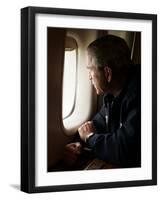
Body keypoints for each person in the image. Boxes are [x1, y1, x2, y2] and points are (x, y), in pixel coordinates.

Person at [64, 35, 141, 168]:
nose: (89, 77)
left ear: (107, 73)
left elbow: (123, 150)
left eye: (90, 70)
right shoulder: (112, 94)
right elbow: (96, 124)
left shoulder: (141, 94)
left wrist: (89, 138)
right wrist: (78, 144)